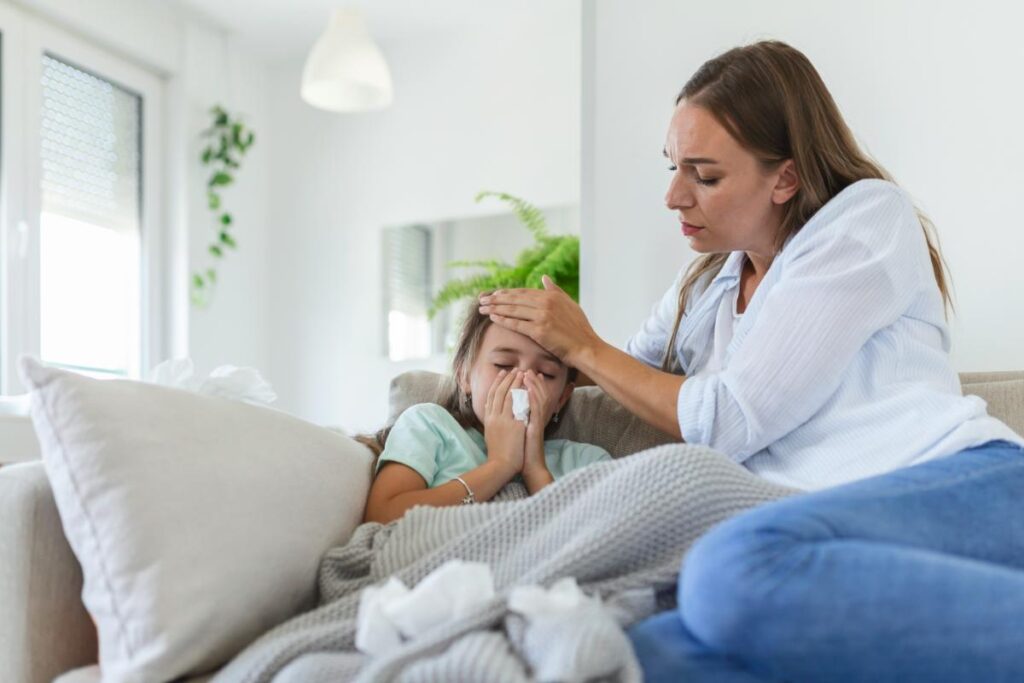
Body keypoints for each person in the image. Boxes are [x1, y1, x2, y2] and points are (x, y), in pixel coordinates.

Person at [480, 40, 1024, 681]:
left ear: (785, 178)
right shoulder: (708, 287)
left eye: (704, 176)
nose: (675, 197)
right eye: (673, 168)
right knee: (647, 653)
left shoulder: (866, 221)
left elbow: (728, 416)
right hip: (819, 528)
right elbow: (610, 376)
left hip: (961, 484)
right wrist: (500, 393)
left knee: (728, 570)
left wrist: (582, 345)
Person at [361, 301, 611, 525]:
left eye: (545, 373)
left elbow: (596, 546)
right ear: (464, 375)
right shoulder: (429, 426)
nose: (522, 382)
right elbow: (382, 516)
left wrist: (535, 469)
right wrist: (499, 465)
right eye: (503, 365)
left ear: (562, 398)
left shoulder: (586, 462)